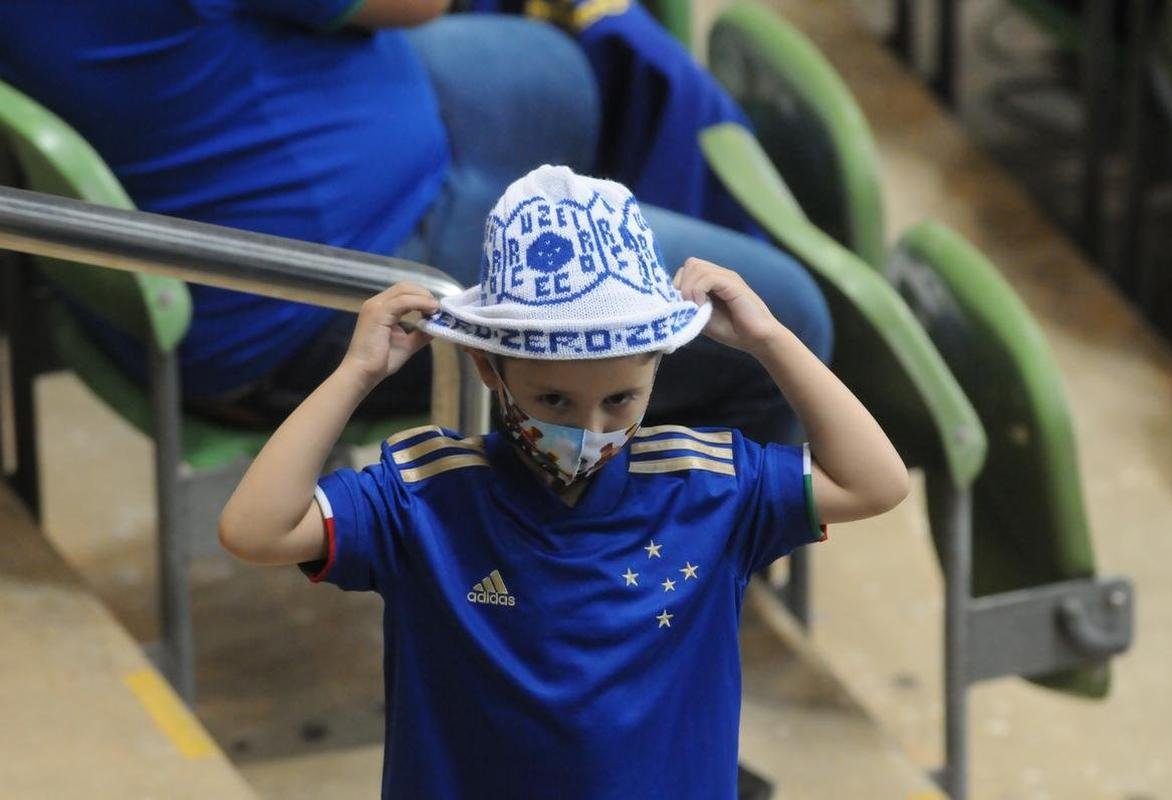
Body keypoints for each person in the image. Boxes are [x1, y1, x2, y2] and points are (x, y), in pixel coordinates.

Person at [219, 165, 909, 798]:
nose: (589, 428)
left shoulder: (708, 486)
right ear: (489, 369)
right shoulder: (426, 496)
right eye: (554, 401)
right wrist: (355, 374)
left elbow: (875, 483)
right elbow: (256, 530)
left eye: (621, 400)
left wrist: (769, 340)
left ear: (656, 373)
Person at [0, 0, 832, 444]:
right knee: (778, 314)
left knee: (556, 76)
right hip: (309, 297)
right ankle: (632, 617)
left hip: (257, 157)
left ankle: (561, 431)